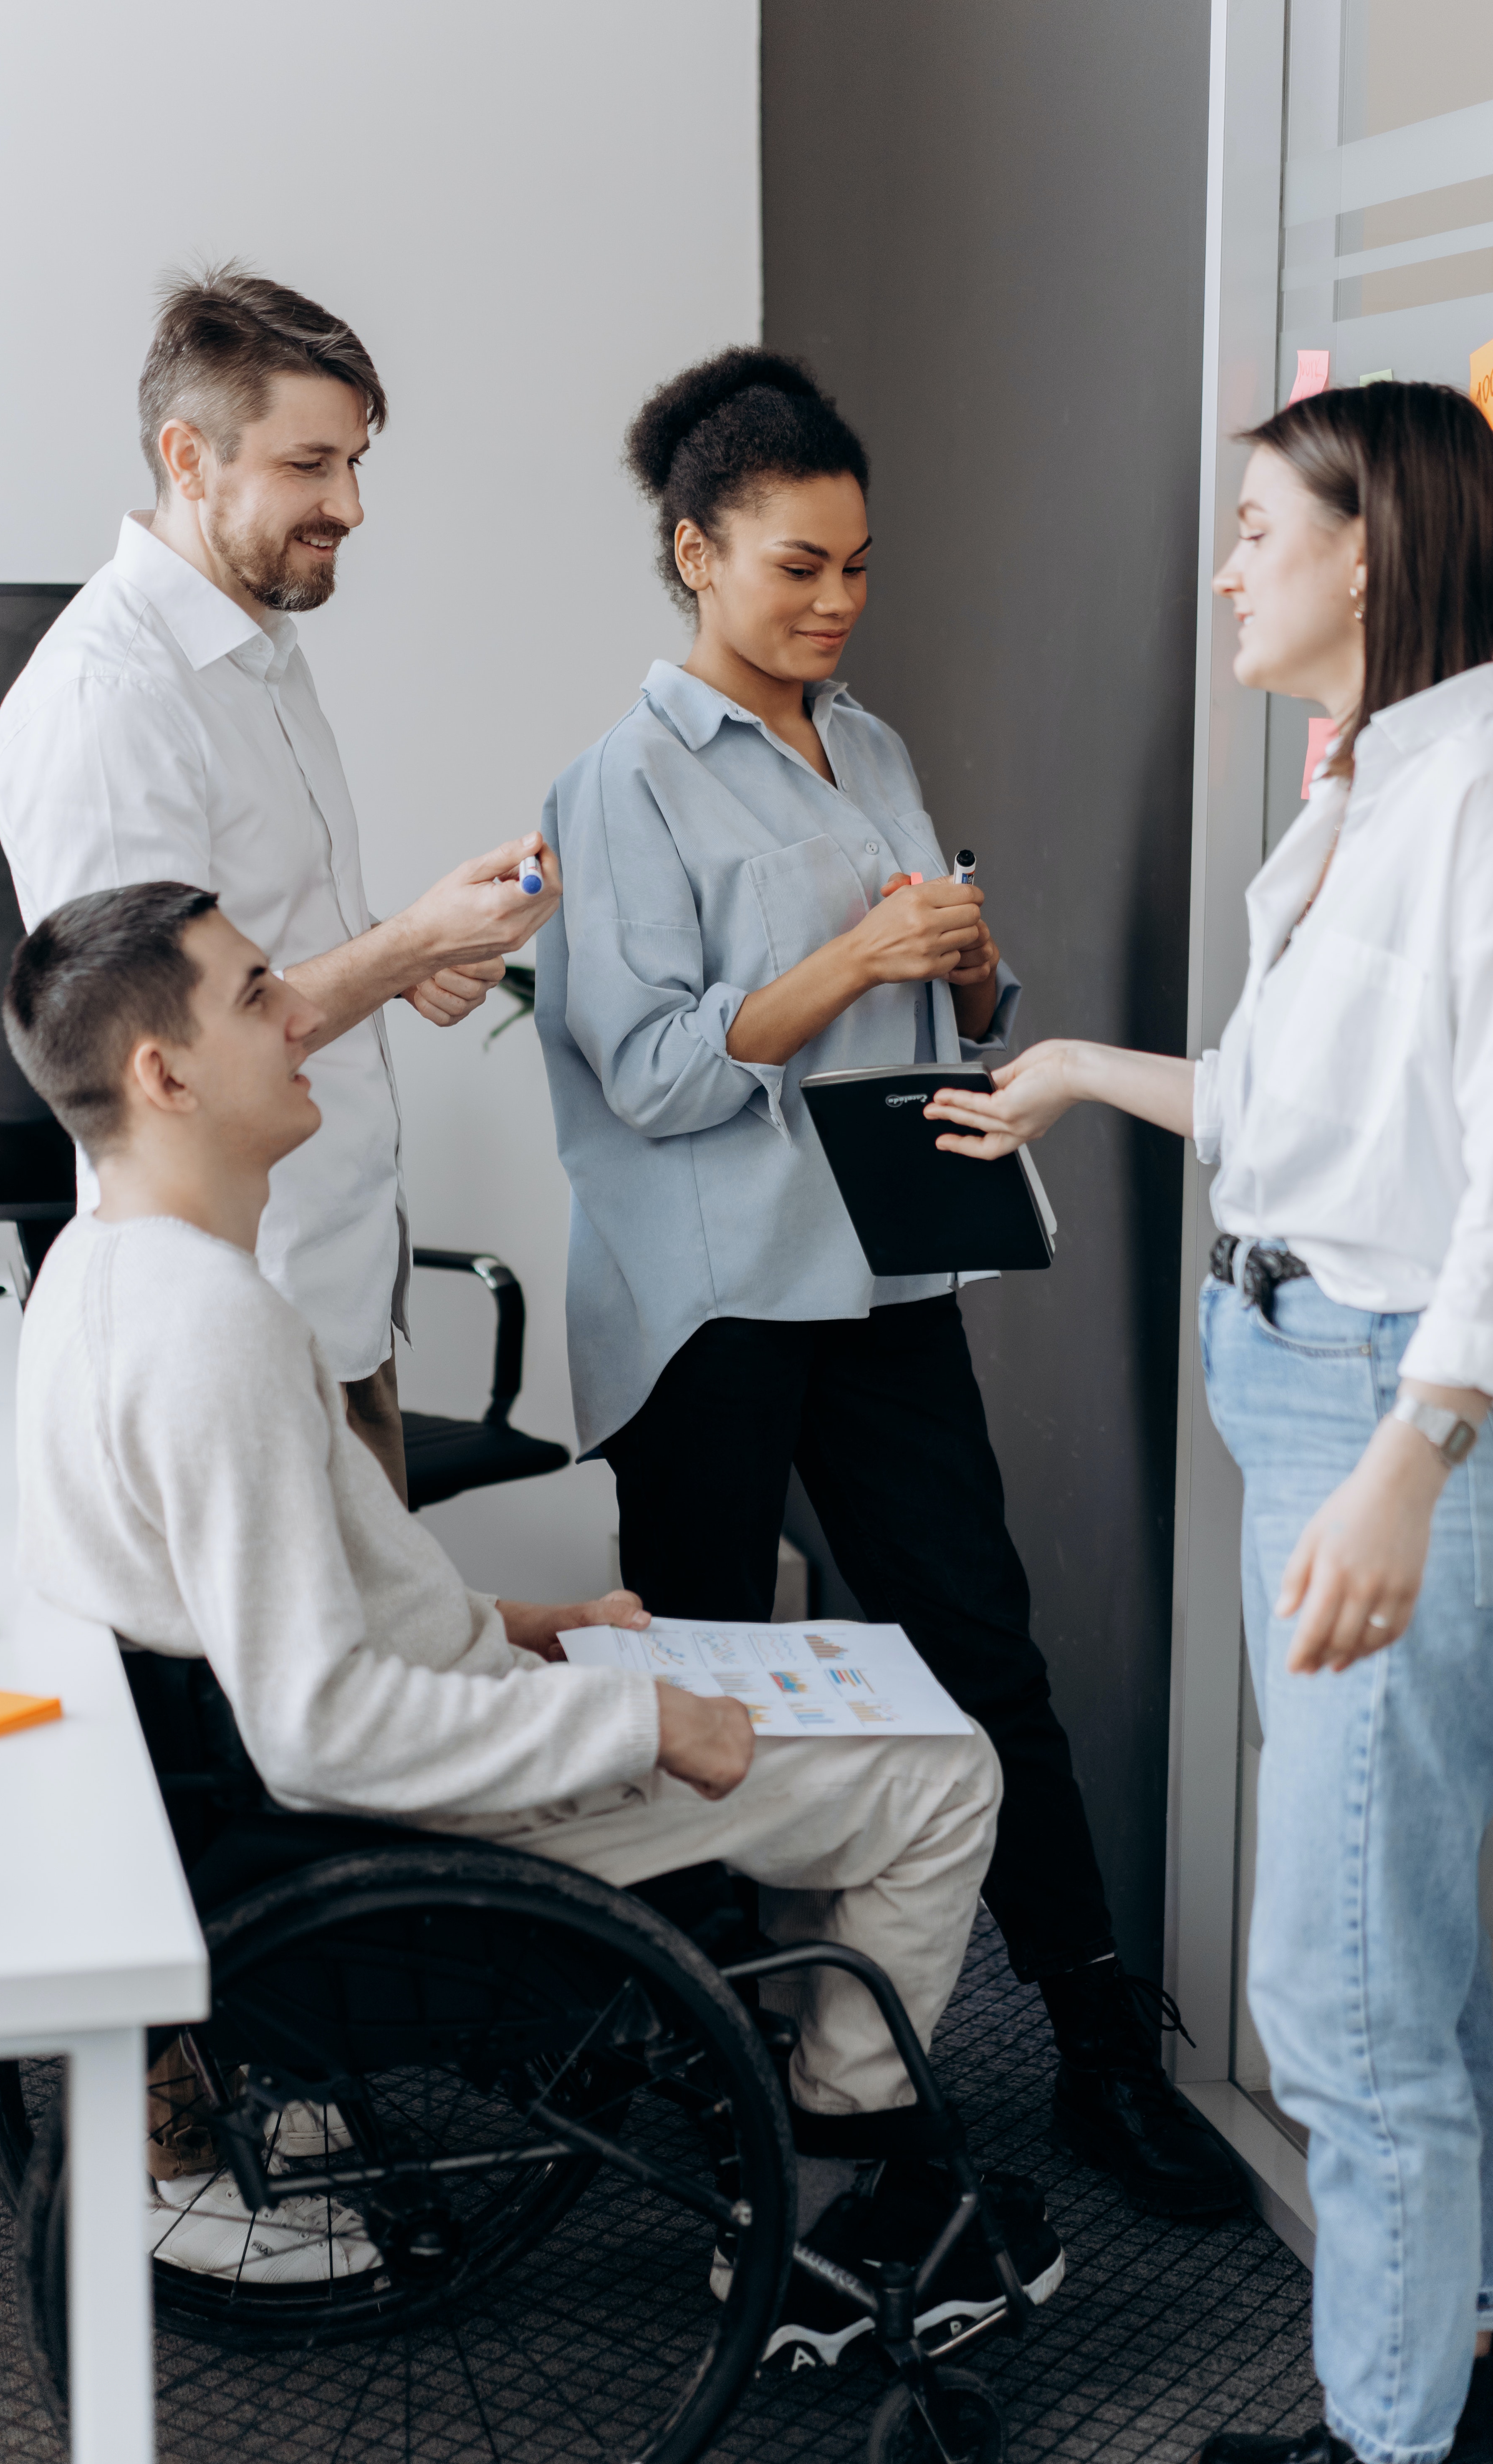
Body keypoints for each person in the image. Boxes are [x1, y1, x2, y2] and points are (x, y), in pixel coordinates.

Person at [3, 878, 1062, 2361]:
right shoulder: (213, 1328)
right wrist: (640, 1715)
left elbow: (253, 1599)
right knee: (943, 1773)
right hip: (385, 1829)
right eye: (257, 995)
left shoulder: (92, 1274)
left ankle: (775, 2063)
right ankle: (822, 2203)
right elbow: (321, 1728)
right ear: (161, 1075)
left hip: (283, 1788)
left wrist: (515, 1621)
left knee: (796, 1700)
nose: (305, 1009)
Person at [925, 380, 1493, 2464]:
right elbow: (1309, 1122)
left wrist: (1414, 1452)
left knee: (1338, 1995)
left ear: (1369, 552)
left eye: (1256, 527)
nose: (1223, 566)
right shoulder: (1366, 801)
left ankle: (1389, 2444)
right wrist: (1075, 1071)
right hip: (1311, 1383)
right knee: (1387, 1958)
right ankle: (1452, 2403)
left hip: (1403, 1418)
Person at [534, 345, 1242, 2220]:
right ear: (696, 554)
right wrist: (859, 962)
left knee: (981, 1646)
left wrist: (969, 976)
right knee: (696, 1673)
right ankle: (703, 2049)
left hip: (883, 1279)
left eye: (857, 567)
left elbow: (934, 1012)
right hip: (706, 1302)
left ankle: (1097, 2040)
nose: (837, 603)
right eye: (796, 567)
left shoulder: (876, 747)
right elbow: (662, 1073)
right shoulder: (619, 788)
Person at [0, 265, 559, 1502]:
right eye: (311, 466)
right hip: (242, 1324)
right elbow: (162, 1050)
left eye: (356, 465)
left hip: (337, 1304)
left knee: (390, 1675)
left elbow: (259, 952)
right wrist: (404, 946)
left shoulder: (260, 657)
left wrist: (410, 963)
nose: (350, 504)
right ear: (188, 458)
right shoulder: (109, 701)